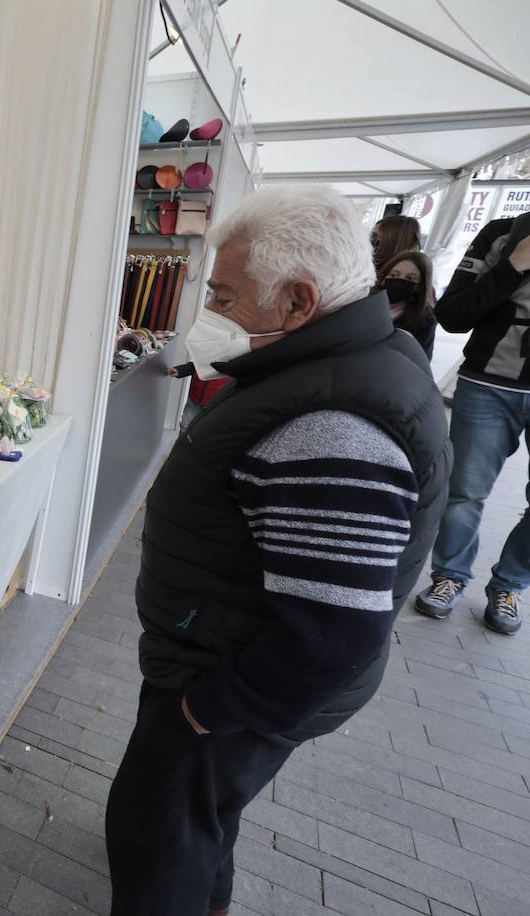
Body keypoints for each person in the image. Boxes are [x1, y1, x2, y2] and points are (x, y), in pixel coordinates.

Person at [104, 186, 450, 916]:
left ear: (296, 302)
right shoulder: (338, 366)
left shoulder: (333, 421)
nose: (212, 313)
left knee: (160, 836)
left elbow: (334, 633)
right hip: (224, 659)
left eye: (226, 296)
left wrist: (205, 708)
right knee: (200, 823)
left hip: (228, 687)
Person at [415, 213, 530, 634]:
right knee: (465, 493)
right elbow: (453, 315)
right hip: (487, 383)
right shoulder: (502, 233)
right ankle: (448, 577)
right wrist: (512, 267)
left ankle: (510, 584)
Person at [375, 249, 437, 358]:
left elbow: (421, 360)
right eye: (394, 275)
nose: (399, 281)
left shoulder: (424, 320)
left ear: (421, 286)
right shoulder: (366, 303)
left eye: (410, 278)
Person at [166, 361, 229, 426]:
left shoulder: (235, 355)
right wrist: (180, 370)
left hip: (216, 402)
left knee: (209, 428)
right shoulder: (208, 352)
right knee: (186, 425)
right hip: (195, 397)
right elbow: (197, 364)